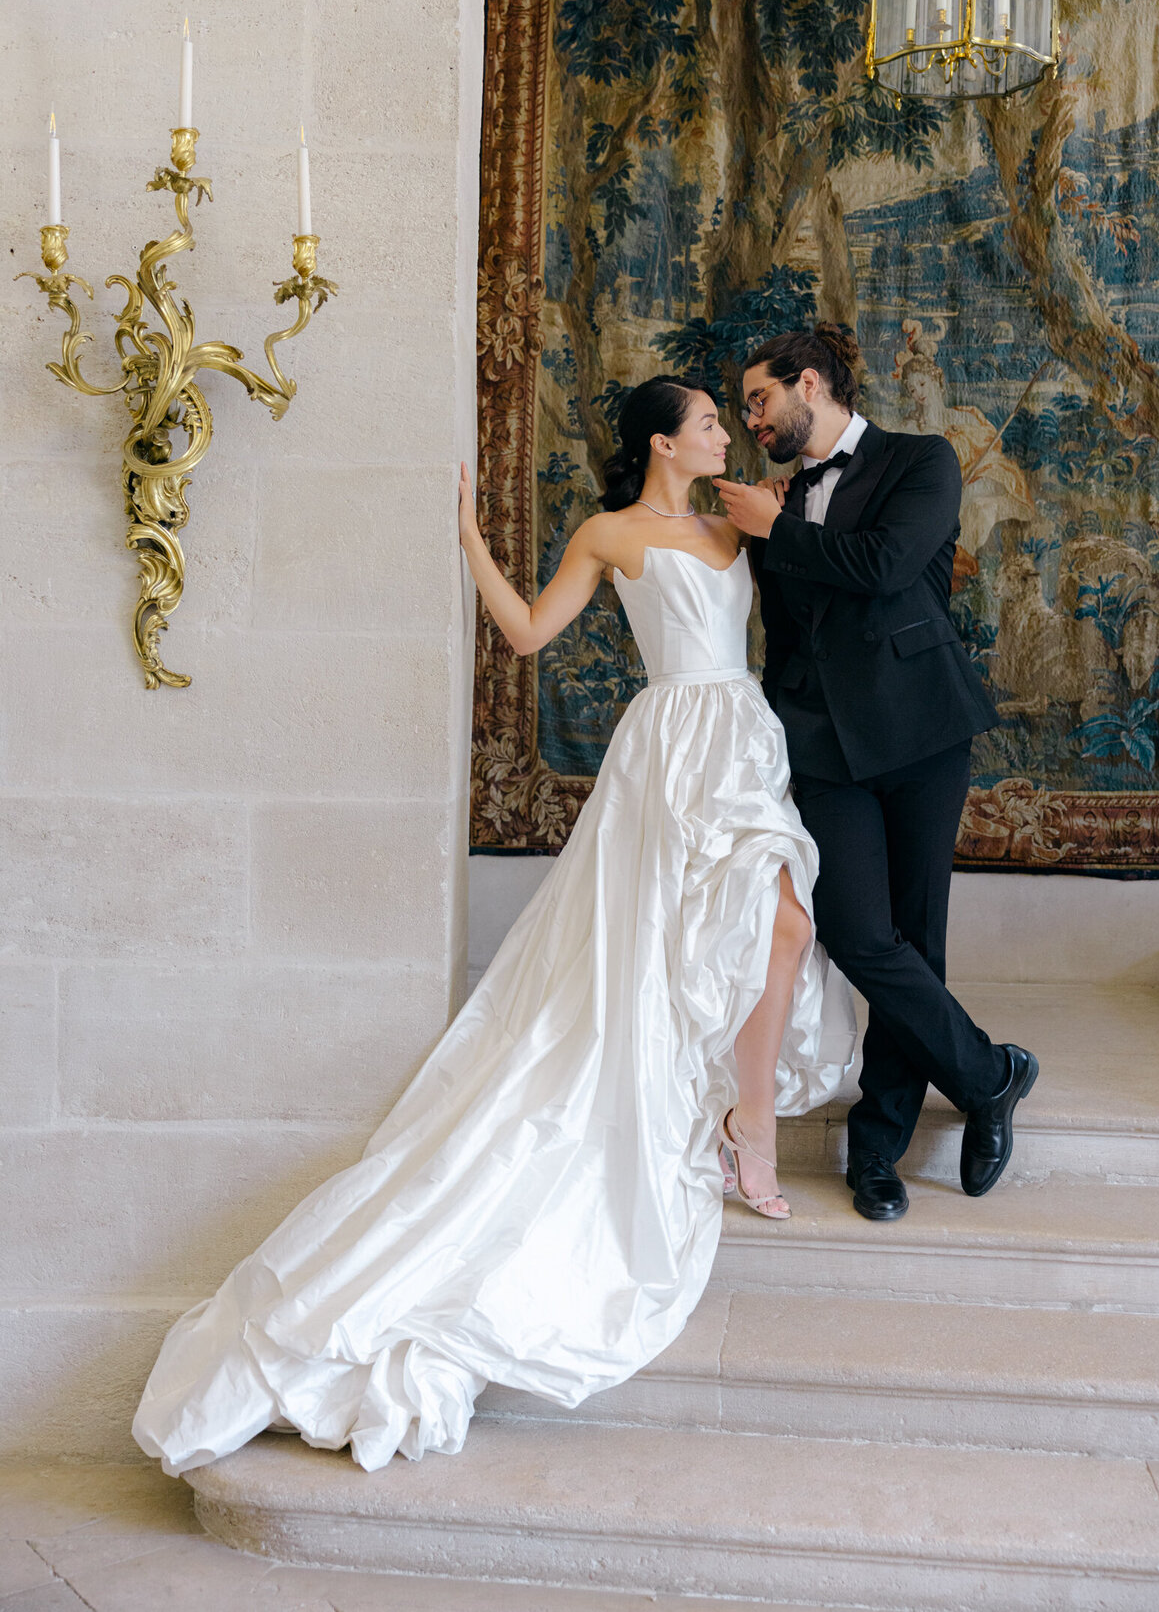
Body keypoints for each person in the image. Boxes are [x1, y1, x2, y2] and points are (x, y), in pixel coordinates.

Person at [132, 375, 854, 1475]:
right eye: (710, 419)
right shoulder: (609, 531)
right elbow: (526, 633)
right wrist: (471, 541)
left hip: (743, 740)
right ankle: (740, 1128)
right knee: (689, 951)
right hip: (670, 751)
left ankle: (746, 1121)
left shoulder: (734, 519)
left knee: (785, 926)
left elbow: (812, 575)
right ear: (664, 440)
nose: (727, 430)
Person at [718, 325, 1038, 1224]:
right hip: (822, 745)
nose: (752, 419)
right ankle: (988, 1074)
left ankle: (877, 1151)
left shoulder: (919, 461)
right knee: (859, 932)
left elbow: (889, 567)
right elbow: (785, 627)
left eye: (760, 400)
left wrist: (779, 528)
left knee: (914, 932)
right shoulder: (777, 499)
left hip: (922, 731)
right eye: (745, 409)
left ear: (809, 384)